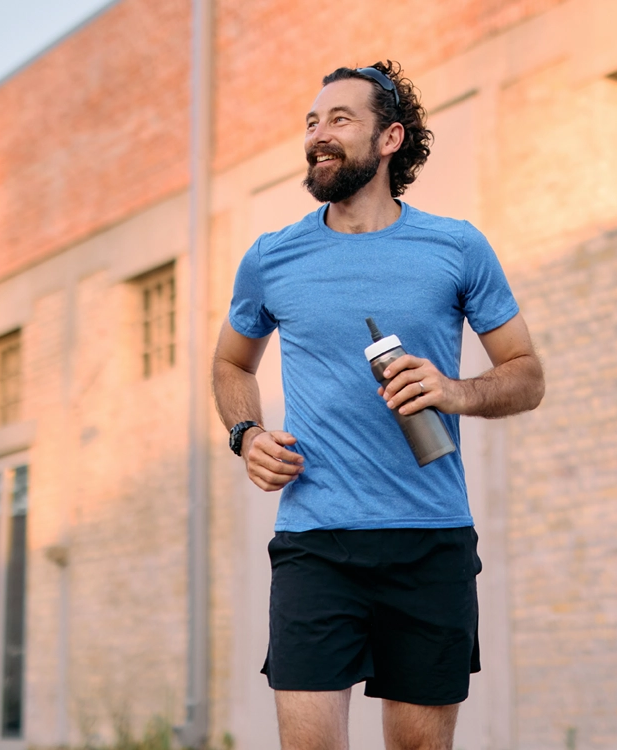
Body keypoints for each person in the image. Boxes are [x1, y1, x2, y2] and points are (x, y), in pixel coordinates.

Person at [211, 61, 545, 750]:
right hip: (316, 541)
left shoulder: (455, 247)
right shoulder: (272, 257)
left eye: (339, 119)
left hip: (430, 539)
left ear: (390, 137)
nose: (317, 135)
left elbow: (526, 374)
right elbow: (230, 362)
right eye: (311, 122)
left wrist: (457, 392)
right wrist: (246, 434)